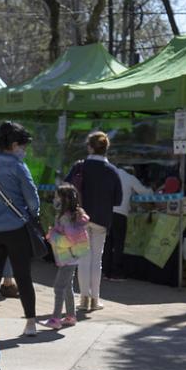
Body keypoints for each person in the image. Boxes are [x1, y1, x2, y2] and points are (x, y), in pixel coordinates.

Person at [0, 121, 39, 336]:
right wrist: (33, 213)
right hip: (15, 228)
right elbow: (32, 199)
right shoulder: (17, 166)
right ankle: (30, 322)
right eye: (22, 145)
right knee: (22, 276)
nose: (24, 150)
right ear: (13, 144)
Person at [65, 131, 122, 311]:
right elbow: (118, 200)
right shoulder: (112, 171)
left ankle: (83, 299)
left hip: (79, 219)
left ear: (89, 147)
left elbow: (65, 188)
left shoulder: (79, 167)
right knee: (97, 260)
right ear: (106, 148)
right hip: (102, 220)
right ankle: (95, 300)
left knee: (83, 259)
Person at [43, 184, 90, 330]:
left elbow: (69, 239)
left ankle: (55, 318)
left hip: (68, 257)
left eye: (57, 196)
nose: (55, 199)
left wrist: (53, 236)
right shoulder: (73, 216)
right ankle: (70, 316)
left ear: (64, 199)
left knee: (59, 287)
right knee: (67, 286)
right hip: (72, 257)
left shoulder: (65, 218)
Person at [103, 165, 152, 281]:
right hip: (120, 214)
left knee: (108, 244)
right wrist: (153, 190)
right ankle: (116, 273)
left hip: (107, 213)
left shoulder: (110, 175)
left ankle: (105, 272)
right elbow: (144, 192)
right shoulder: (130, 178)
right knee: (118, 245)